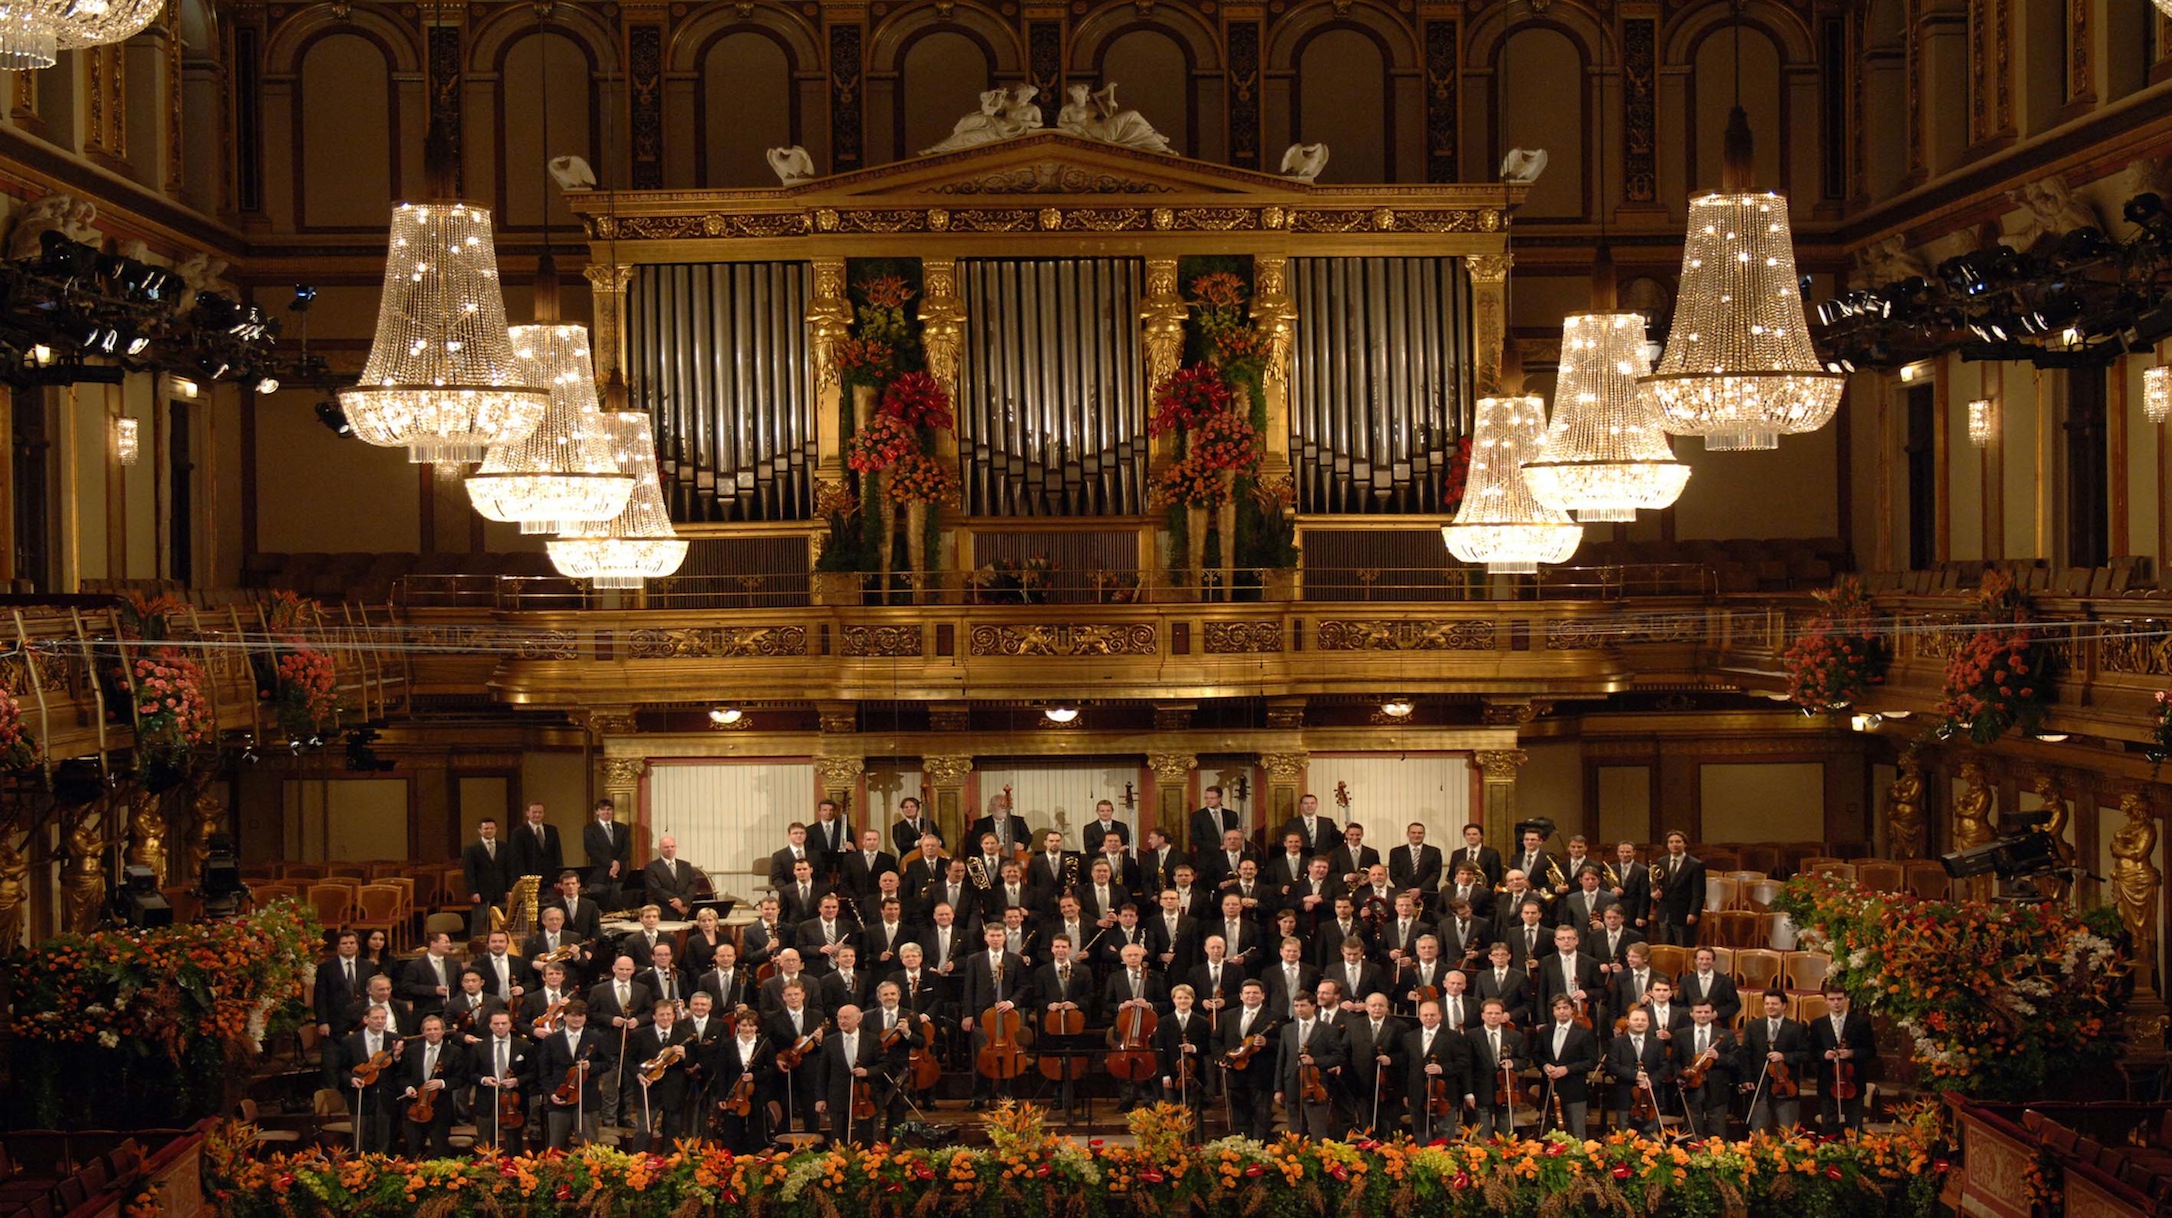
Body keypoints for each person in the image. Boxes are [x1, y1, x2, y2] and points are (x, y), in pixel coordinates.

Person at [960, 922, 1027, 1109]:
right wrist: (968, 1015)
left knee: (1007, 1056)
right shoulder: (975, 959)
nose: (996, 939)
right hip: (982, 1015)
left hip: (1007, 1016)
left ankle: (1006, 1097)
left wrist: (1011, 1002)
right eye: (992, 936)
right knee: (981, 1057)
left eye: (999, 935)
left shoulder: (1015, 959)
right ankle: (979, 1097)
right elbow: (969, 988)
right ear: (985, 938)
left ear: (1004, 937)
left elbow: (1023, 986)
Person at [537, 1000, 609, 1149]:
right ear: (565, 1017)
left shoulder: (596, 1038)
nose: (577, 1019)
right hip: (559, 1099)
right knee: (555, 1147)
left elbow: (607, 1063)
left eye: (581, 1016)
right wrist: (551, 1094)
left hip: (586, 1099)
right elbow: (544, 1071)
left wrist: (591, 1066)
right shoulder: (551, 1040)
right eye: (573, 1016)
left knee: (589, 1146)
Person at [1274, 991, 1347, 1138]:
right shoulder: (1287, 1029)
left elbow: (1338, 1057)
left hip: (1316, 1086)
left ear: (1313, 1006)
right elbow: (1281, 1059)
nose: (1299, 1009)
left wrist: (1315, 1061)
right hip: (1292, 1084)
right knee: (1295, 1131)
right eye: (1296, 1006)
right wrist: (1278, 1088)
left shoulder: (1328, 1030)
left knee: (1317, 1129)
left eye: (1303, 1005)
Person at [1104, 942, 1167, 1111]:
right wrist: (1120, 1006)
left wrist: (1150, 1005)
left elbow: (1165, 1003)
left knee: (1149, 1061)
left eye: (1136, 955)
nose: (1133, 958)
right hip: (1124, 1029)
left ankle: (1150, 1098)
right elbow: (1105, 1004)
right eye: (1129, 956)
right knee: (1122, 1064)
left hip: (1147, 1031)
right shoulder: (1115, 978)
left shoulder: (1155, 976)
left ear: (1142, 957)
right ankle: (1127, 1098)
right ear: (1123, 959)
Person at [626, 1001, 691, 1151]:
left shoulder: (684, 1034)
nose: (665, 1018)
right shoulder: (640, 1034)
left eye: (669, 1014)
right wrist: (638, 1074)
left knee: (673, 1132)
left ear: (674, 1016)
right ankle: (639, 1165)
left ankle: (670, 1166)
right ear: (654, 1016)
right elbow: (628, 1060)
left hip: (674, 1091)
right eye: (662, 1014)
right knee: (644, 1131)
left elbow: (692, 1062)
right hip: (648, 1089)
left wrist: (685, 1056)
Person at [1740, 990, 1808, 1132]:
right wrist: (1746, 1078)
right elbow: (1745, 1054)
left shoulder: (1797, 1028)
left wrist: (1784, 1056)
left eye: (1774, 1004)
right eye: (1767, 1003)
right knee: (1758, 1130)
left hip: (1786, 1086)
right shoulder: (1753, 1026)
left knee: (1788, 1131)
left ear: (1784, 1005)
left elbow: (1806, 1054)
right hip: (1760, 1086)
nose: (1770, 1007)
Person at [1218, 980, 1278, 1140]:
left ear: (1263, 996)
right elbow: (1216, 1040)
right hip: (1235, 1071)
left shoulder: (1275, 1017)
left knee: (1262, 1113)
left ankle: (1259, 1147)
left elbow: (1283, 1043)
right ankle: (1241, 1147)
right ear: (1241, 996)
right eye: (1248, 993)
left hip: (1261, 1073)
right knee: (1239, 1113)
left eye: (1255, 993)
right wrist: (1221, 1058)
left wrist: (1267, 1043)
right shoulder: (1227, 1016)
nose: (1251, 996)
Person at [1530, 995, 1598, 1137]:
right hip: (1549, 1089)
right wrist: (1545, 1065)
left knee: (1576, 1132)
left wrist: (1566, 1069)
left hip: (1574, 1090)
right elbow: (1536, 1055)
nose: (1562, 1011)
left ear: (1572, 1009)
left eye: (1565, 1008)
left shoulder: (1584, 1033)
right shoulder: (1545, 1032)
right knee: (1548, 1132)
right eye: (1558, 1008)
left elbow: (1591, 1061)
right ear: (1553, 1011)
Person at [1811, 988, 1877, 1133]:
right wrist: (1824, 1055)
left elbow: (1871, 1051)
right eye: (1832, 999)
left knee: (1854, 1128)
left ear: (1846, 1000)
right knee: (1829, 1127)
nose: (1836, 1003)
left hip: (1853, 1083)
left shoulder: (1861, 1023)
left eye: (1840, 999)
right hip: (1828, 1083)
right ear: (1826, 1001)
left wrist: (1852, 1053)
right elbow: (1811, 1052)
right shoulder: (1817, 1024)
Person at [395, 1013, 461, 1157]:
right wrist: (408, 1087)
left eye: (436, 1029)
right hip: (414, 1108)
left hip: (440, 1108)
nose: (432, 1033)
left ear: (443, 1031)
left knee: (440, 1149)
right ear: (423, 1032)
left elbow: (460, 1078)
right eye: (429, 1029)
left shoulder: (454, 1052)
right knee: (414, 1149)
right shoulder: (412, 1051)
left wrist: (442, 1083)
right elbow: (401, 1076)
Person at [340, 1004, 403, 1153]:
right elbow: (340, 1069)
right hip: (360, 1095)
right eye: (376, 1018)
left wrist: (397, 1057)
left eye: (383, 1018)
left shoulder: (395, 1040)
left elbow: (403, 1071)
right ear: (366, 1019)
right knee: (362, 1139)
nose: (380, 1021)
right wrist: (351, 1079)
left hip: (386, 1096)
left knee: (384, 1139)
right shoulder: (350, 1041)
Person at [710, 1007, 775, 1152]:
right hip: (733, 1094)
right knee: (732, 1128)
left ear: (757, 1027)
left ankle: (755, 1157)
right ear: (737, 1026)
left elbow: (772, 1068)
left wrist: (755, 1076)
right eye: (744, 1025)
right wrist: (722, 1096)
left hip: (755, 1093)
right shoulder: (728, 1044)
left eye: (751, 1025)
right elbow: (721, 1072)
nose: (747, 1029)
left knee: (756, 1126)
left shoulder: (764, 1044)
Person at [815, 1004, 881, 1145]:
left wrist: (867, 1071)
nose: (842, 1021)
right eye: (839, 1018)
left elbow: (884, 1065)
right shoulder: (830, 1041)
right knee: (839, 1137)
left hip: (864, 1097)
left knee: (865, 1137)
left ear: (858, 1019)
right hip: (838, 1096)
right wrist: (820, 1098)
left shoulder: (872, 1040)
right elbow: (822, 1072)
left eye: (846, 1018)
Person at [763, 979, 824, 1133]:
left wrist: (820, 1040)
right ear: (783, 997)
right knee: (785, 1108)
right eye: (789, 995)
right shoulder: (773, 1018)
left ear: (803, 995)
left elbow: (824, 1046)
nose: (793, 998)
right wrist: (777, 1060)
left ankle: (813, 1143)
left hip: (809, 1069)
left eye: (796, 994)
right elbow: (767, 1045)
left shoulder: (817, 1016)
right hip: (785, 1069)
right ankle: (784, 1145)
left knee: (810, 1109)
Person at [1402, 997, 1465, 1142]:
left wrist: (1441, 1068)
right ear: (1419, 1016)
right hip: (1417, 1094)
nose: (1429, 1018)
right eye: (1425, 1015)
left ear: (1440, 1016)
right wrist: (1405, 1093)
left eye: (1432, 1015)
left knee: (1445, 1133)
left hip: (1444, 1095)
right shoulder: (1409, 1037)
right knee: (1420, 1133)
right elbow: (1405, 1068)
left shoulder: (1453, 1037)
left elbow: (1463, 1062)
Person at [471, 1010, 533, 1153]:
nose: (500, 1027)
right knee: (485, 1146)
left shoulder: (524, 1046)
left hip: (514, 1103)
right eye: (496, 1023)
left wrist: (517, 1080)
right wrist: (483, 1079)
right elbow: (470, 1074)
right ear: (490, 1026)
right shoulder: (479, 1047)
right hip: (487, 1101)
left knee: (514, 1146)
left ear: (510, 1024)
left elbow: (532, 1073)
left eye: (504, 1023)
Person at [1347, 992, 1407, 1135]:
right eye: (1373, 1005)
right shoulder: (1355, 1024)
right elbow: (1345, 1049)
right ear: (1366, 1007)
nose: (1377, 1008)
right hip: (1360, 1082)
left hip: (1388, 1085)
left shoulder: (1400, 1027)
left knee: (1387, 1123)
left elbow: (1406, 1055)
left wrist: (1391, 1059)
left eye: (1381, 1005)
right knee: (1364, 1121)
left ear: (1387, 1008)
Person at [1605, 1007, 1670, 1135]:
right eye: (1636, 1019)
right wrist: (1635, 1075)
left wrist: (1650, 1081)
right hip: (1625, 1096)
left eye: (1643, 1020)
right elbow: (1612, 1066)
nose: (1639, 1022)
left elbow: (1665, 1066)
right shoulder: (1616, 1043)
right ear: (1628, 1022)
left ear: (1648, 1023)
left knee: (1651, 1136)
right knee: (1624, 1135)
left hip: (1650, 1097)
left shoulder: (1657, 1043)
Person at [1156, 983, 1211, 1135]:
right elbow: (1160, 1051)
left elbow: (1208, 1047)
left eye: (1186, 998)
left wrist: (1193, 1048)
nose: (1183, 1001)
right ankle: (1174, 1145)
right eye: (1179, 998)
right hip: (1172, 1075)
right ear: (1173, 1000)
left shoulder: (1202, 1022)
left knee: (1195, 1111)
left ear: (1192, 1000)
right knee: (1172, 1111)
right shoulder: (1164, 1022)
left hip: (1195, 1075)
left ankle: (1196, 1144)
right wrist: (1164, 1074)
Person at [1676, 999, 1736, 1138]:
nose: (1703, 1015)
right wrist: (1680, 1075)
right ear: (1692, 1014)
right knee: (1692, 1128)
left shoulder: (1726, 1035)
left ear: (1713, 1014)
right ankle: (1691, 1156)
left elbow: (1735, 1061)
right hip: (1691, 1086)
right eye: (1699, 1012)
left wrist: (1718, 1057)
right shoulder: (1681, 1034)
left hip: (1717, 1087)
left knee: (1717, 1128)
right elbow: (1675, 1061)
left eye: (1706, 1012)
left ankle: (1717, 1157)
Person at [314, 929, 374, 1047]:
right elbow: (320, 997)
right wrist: (322, 1022)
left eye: (352, 943)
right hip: (337, 1021)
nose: (348, 946)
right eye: (344, 943)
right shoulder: (326, 968)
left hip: (362, 1019)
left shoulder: (368, 966)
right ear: (338, 946)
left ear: (357, 946)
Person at [1651, 831, 1705, 946]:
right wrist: (1654, 892)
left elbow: (1699, 893)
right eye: (1671, 842)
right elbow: (1657, 883)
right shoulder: (1661, 862)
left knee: (1684, 947)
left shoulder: (1695, 865)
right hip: (1664, 912)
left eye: (1678, 842)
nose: (1674, 844)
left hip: (1684, 913)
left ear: (1685, 844)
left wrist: (1693, 913)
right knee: (1666, 948)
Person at [463, 817, 512, 937]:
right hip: (481, 893)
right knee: (479, 925)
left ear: (496, 829)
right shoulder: (471, 849)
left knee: (501, 924)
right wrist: (473, 892)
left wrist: (509, 889)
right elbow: (469, 872)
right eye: (486, 828)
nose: (489, 831)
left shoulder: (504, 847)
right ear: (480, 830)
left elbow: (509, 869)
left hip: (500, 892)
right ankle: (477, 952)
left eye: (491, 828)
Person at [398, 930, 462, 1017]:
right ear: (433, 943)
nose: (449, 945)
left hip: (451, 1013)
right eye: (445, 942)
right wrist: (433, 990)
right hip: (425, 1012)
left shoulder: (454, 964)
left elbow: (461, 986)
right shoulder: (415, 965)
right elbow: (407, 987)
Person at [584, 800, 634, 906]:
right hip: (599, 875)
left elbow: (627, 849)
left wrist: (617, 864)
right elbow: (592, 850)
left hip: (620, 874)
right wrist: (612, 863)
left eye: (609, 809)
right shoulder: (590, 829)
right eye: (602, 809)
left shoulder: (622, 828)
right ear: (597, 812)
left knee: (619, 904)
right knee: (600, 904)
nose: (606, 812)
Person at [1472, 942, 1532, 1027]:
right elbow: (1477, 1001)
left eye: (1503, 954)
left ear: (1509, 956)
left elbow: (1528, 1004)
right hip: (1488, 1023)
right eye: (1496, 955)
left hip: (1513, 1024)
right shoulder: (1482, 976)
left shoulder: (1520, 976)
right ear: (1490, 957)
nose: (1500, 958)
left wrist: (1510, 1015)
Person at [1677, 947, 1742, 1023]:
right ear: (1695, 961)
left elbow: (1735, 1005)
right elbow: (1679, 1004)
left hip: (1718, 1023)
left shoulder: (1726, 981)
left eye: (1708, 959)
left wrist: (1717, 1013)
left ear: (1713, 961)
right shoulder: (1685, 980)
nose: (1704, 962)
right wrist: (1693, 1013)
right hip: (1691, 1024)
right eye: (1701, 959)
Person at [644, 836, 701, 918]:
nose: (670, 849)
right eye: (666, 847)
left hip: (685, 908)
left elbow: (693, 885)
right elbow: (655, 889)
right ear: (660, 849)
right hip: (664, 910)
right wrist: (677, 903)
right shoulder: (651, 867)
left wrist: (682, 901)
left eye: (672, 846)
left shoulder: (686, 865)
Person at [509, 803, 564, 885]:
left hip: (550, 878)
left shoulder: (552, 830)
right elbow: (517, 859)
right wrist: (523, 879)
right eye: (534, 812)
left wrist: (559, 877)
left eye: (540, 812)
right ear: (527, 813)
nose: (537, 815)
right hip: (529, 879)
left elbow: (557, 854)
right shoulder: (519, 832)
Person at [841, 829, 898, 905]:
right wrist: (855, 898)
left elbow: (893, 881)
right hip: (857, 901)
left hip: (880, 902)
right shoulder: (850, 859)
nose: (872, 842)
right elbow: (844, 882)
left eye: (874, 839)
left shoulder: (888, 859)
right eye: (869, 839)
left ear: (879, 841)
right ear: (863, 841)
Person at [966, 796, 1031, 858]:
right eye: (1001, 806)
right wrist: (990, 847)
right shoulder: (980, 823)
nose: (1004, 808)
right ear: (992, 807)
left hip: (1014, 854)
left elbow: (1027, 836)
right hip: (990, 855)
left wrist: (1022, 844)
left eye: (1006, 806)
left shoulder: (1018, 821)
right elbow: (975, 842)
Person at [1390, 823, 1443, 897]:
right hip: (1403, 893)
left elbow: (1435, 873)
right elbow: (1394, 875)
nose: (1416, 835)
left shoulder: (1434, 851)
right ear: (1407, 834)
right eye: (1413, 833)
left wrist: (1420, 889)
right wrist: (1409, 890)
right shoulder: (1396, 852)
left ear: (1424, 834)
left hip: (1427, 893)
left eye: (1420, 833)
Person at [1189, 786, 1240, 859]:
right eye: (1206, 798)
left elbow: (1234, 834)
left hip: (1227, 857)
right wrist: (1218, 847)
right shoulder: (1198, 816)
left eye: (1212, 798)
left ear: (1219, 798)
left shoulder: (1231, 815)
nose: (1208, 800)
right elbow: (1196, 839)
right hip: (1207, 858)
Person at [809, 799, 853, 879]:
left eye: (831, 810)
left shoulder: (845, 827)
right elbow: (809, 851)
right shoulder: (810, 830)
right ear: (819, 812)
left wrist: (852, 847)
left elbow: (851, 847)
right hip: (819, 870)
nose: (828, 812)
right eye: (825, 810)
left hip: (840, 868)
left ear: (834, 811)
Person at [1455, 823, 1503, 888]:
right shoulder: (1456, 854)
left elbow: (1496, 876)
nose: (1471, 837)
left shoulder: (1492, 853)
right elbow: (1451, 875)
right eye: (1468, 834)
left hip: (1484, 892)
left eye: (1474, 834)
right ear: (1464, 836)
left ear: (1481, 836)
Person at [769, 823, 816, 890]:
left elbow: (821, 876)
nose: (799, 835)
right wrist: (787, 891)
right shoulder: (778, 856)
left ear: (806, 835)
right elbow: (776, 878)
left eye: (802, 833)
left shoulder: (815, 854)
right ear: (789, 835)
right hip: (789, 893)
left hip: (812, 892)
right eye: (795, 833)